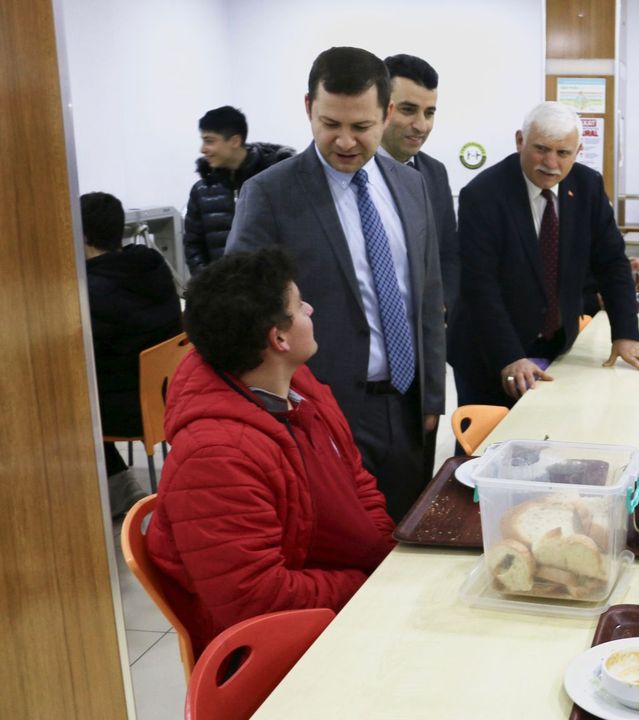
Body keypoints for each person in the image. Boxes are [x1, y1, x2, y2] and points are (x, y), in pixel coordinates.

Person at [227, 47, 445, 521]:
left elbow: (427, 296)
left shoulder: (411, 186)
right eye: (330, 124)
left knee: (407, 533)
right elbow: (241, 310)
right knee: (345, 542)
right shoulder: (271, 193)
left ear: (385, 114)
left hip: (407, 408)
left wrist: (431, 398)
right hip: (319, 410)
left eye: (361, 126)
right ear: (309, 108)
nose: (345, 141)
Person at [145, 248, 396, 659]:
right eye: (300, 305)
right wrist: (364, 585)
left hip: (339, 600)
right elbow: (255, 599)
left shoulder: (299, 385)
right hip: (274, 650)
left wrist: (386, 558)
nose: (310, 310)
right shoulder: (213, 457)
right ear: (278, 338)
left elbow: (356, 479)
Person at [449, 101, 639, 407]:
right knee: (494, 436)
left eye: (563, 153)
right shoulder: (483, 194)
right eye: (541, 149)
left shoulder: (587, 186)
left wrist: (625, 334)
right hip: (489, 352)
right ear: (520, 140)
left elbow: (612, 263)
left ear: (578, 151)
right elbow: (479, 287)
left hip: (557, 346)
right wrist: (510, 356)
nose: (551, 163)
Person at [81, 191, 182, 516]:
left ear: (81, 235)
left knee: (66, 401)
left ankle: (117, 488)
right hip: (170, 397)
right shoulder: (152, 265)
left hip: (129, 412)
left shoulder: (89, 292)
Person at [381, 54, 459, 314]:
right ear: (381, 107)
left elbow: (447, 254)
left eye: (429, 113)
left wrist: (442, 304)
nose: (421, 125)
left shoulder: (435, 173)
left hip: (424, 325)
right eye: (408, 110)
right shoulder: (353, 172)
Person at [183, 106, 294, 275]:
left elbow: (293, 236)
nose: (203, 149)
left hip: (272, 286)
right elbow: (193, 246)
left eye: (210, 141)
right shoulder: (201, 191)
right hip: (222, 287)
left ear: (235, 141)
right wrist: (210, 282)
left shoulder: (275, 181)